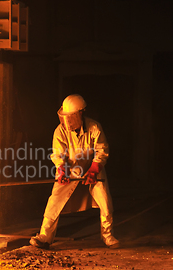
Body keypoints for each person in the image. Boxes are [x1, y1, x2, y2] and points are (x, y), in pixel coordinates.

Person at [30, 94, 120, 249]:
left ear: (80, 113)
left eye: (71, 117)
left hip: (93, 167)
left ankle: (108, 235)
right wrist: (62, 169)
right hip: (70, 169)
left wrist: (94, 170)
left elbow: (102, 150)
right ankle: (45, 236)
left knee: (104, 200)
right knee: (55, 200)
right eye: (65, 117)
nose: (68, 122)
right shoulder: (60, 131)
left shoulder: (94, 128)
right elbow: (58, 154)